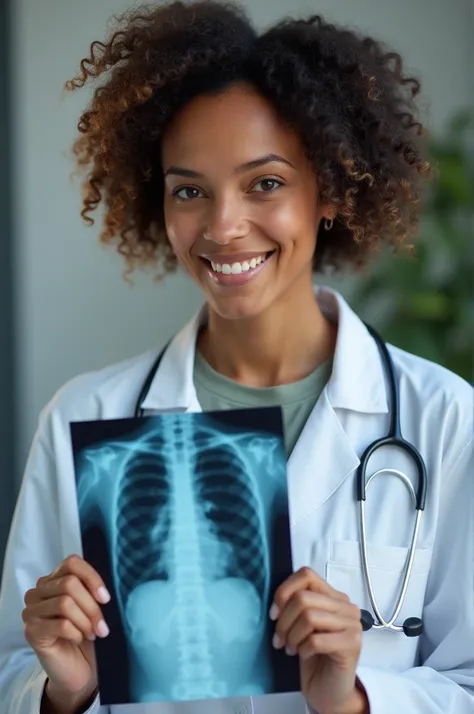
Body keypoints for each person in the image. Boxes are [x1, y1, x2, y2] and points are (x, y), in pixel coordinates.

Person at [0, 1, 472, 713]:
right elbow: (12, 671)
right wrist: (62, 691)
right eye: (189, 191)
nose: (223, 227)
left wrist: (358, 699)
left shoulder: (443, 419)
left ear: (331, 192)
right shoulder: (84, 416)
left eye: (267, 183)